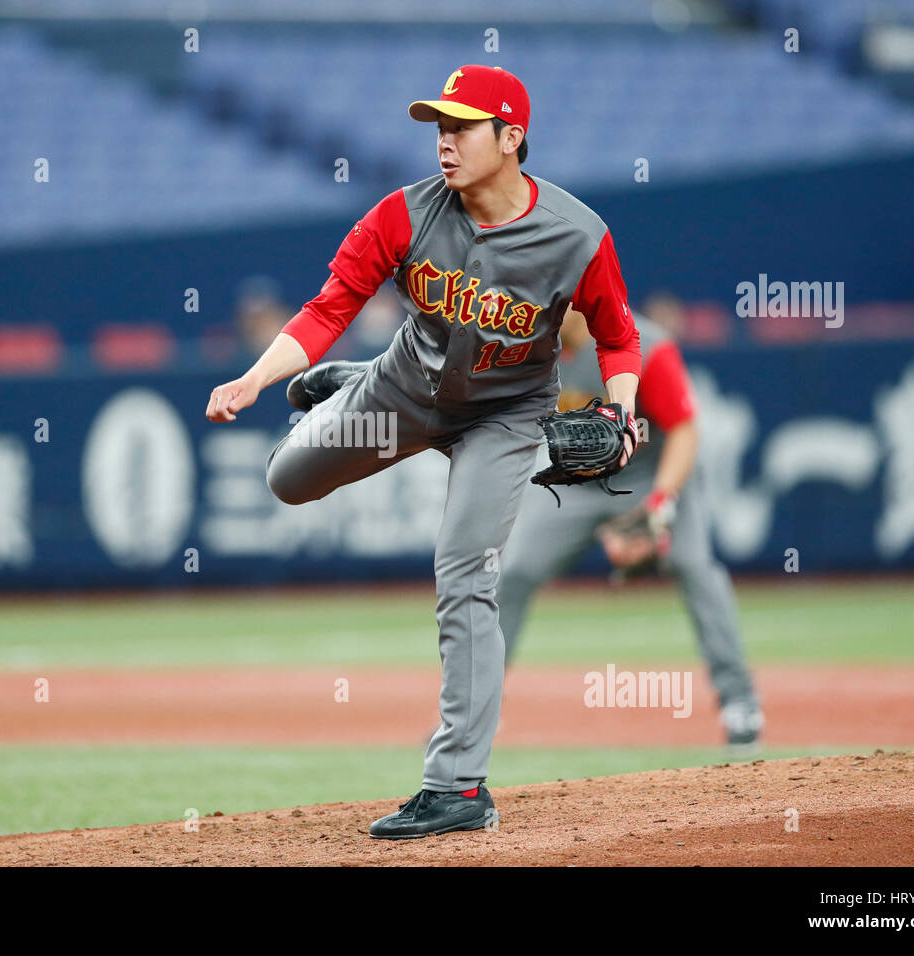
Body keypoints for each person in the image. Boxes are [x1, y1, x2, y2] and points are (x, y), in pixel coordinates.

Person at [205, 65, 641, 838]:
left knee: (464, 574)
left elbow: (617, 335)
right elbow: (329, 305)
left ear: (511, 139)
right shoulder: (402, 215)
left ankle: (458, 788)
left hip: (505, 418)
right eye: (439, 125)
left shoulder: (578, 234)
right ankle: (349, 383)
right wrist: (256, 376)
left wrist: (623, 410)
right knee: (286, 479)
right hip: (404, 393)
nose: (444, 139)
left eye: (463, 126)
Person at [496, 307, 764, 753]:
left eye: (554, 293)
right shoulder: (528, 340)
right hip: (579, 480)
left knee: (696, 568)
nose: (541, 302)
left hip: (648, 476)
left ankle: (741, 703)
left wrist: (659, 506)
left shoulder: (646, 346)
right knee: (515, 569)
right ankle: (470, 712)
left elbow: (683, 431)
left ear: (579, 299)